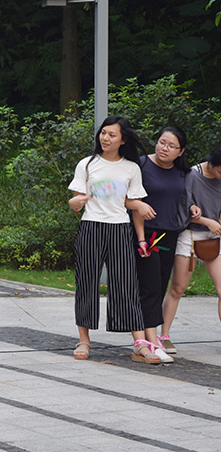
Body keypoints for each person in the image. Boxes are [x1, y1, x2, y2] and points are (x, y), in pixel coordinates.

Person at [68, 115, 160, 364]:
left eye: (112, 134)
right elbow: (76, 201)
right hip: (91, 227)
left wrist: (141, 230)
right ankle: (84, 340)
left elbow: (129, 202)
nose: (105, 138)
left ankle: (139, 344)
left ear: (123, 140)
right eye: (103, 133)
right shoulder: (87, 164)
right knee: (86, 283)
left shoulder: (131, 168)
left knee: (126, 285)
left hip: (120, 229)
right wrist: (76, 201)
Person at [132, 127, 198, 363]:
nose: (164, 148)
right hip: (145, 233)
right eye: (162, 142)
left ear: (180, 152)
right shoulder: (141, 165)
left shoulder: (182, 172)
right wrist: (141, 237)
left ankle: (148, 337)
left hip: (170, 233)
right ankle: (148, 341)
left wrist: (192, 207)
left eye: (171, 146)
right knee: (149, 286)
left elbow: (182, 197)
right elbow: (131, 199)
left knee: (160, 285)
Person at [161, 145, 221, 351]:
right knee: (177, 289)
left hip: (214, 236)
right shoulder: (192, 175)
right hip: (191, 235)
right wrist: (206, 221)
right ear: (211, 163)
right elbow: (182, 210)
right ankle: (164, 336)